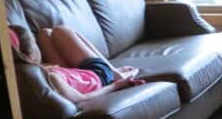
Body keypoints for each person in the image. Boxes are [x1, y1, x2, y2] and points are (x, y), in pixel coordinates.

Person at [8, 24, 143, 104]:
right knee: (61, 30)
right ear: (32, 55)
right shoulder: (51, 77)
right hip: (99, 75)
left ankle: (114, 71)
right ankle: (113, 71)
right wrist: (116, 85)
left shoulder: (32, 72)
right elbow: (81, 98)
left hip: (71, 76)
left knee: (45, 33)